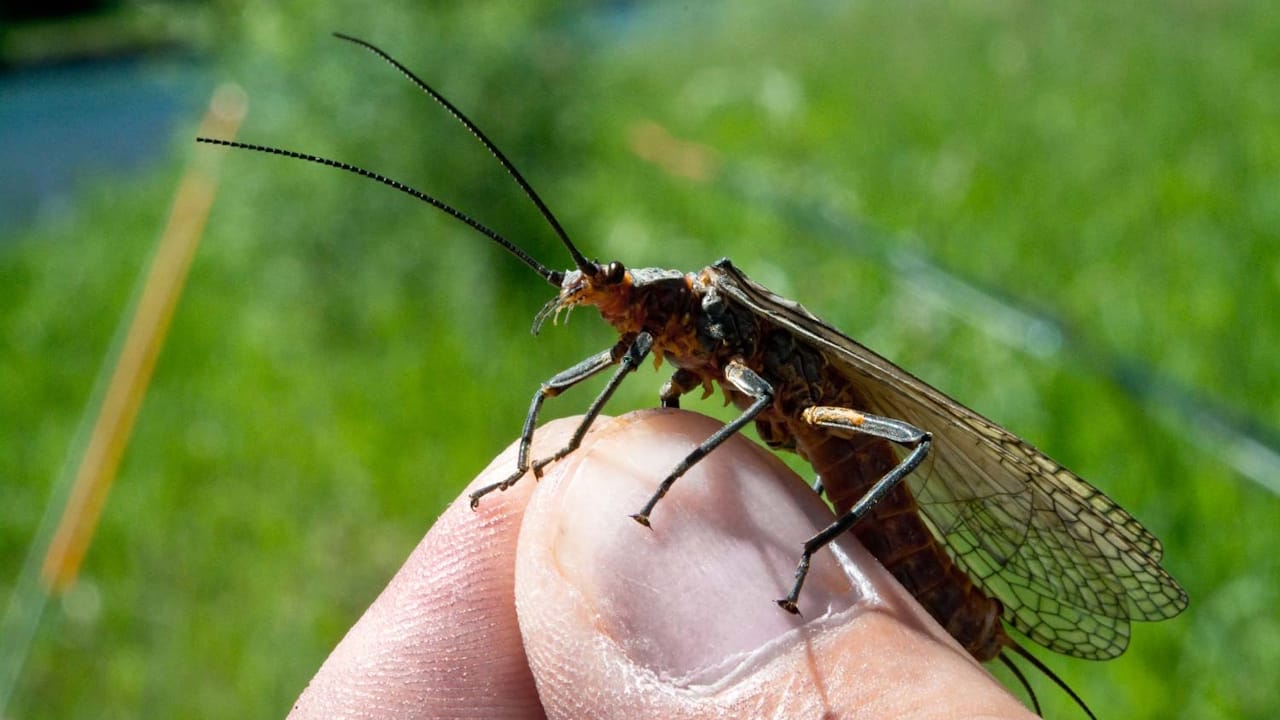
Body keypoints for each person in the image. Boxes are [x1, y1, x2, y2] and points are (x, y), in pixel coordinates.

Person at [288, 410, 1034, 719]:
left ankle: (941, 600)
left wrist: (668, 489)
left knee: (909, 441)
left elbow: (761, 405)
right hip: (811, 440)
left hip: (837, 431)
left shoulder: (710, 315)